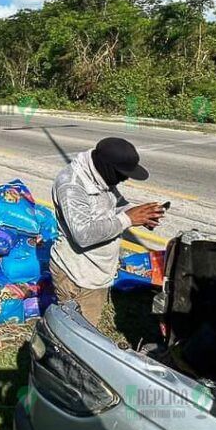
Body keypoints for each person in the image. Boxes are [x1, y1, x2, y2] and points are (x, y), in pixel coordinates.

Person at [50, 137, 164, 329]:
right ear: (107, 168)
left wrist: (141, 215)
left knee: (84, 329)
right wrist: (128, 218)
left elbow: (116, 204)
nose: (125, 179)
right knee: (79, 335)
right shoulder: (72, 186)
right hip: (78, 275)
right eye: (122, 174)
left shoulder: (101, 176)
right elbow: (83, 234)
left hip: (96, 270)